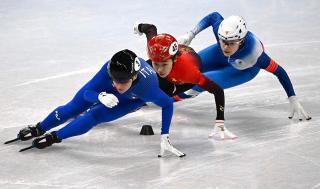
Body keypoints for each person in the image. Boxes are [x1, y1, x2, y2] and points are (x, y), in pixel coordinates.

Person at [8, 49, 185, 157]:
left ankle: (55, 137)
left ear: (134, 76)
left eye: (122, 81)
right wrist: (99, 96)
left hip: (132, 99)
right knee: (74, 107)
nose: (117, 85)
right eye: (114, 80)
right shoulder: (108, 71)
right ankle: (40, 127)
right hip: (103, 90)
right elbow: (86, 94)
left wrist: (165, 136)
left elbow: (167, 103)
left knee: (95, 115)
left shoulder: (148, 87)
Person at [177, 12, 311, 121]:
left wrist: (292, 98)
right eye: (223, 41)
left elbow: (280, 72)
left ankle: (168, 99)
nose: (225, 46)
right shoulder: (224, 35)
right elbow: (214, 16)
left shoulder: (254, 54)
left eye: (230, 43)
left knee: (200, 82)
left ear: (241, 41)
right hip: (222, 56)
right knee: (188, 64)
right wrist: (191, 34)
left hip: (242, 70)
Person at [134, 23, 237, 140]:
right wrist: (140, 27)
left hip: (183, 77)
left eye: (163, 65)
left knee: (162, 93)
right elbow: (150, 29)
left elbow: (217, 90)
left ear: (174, 59)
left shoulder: (189, 73)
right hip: (175, 58)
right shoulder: (156, 49)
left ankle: (142, 100)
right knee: (139, 72)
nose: (159, 69)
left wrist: (220, 120)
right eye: (156, 64)